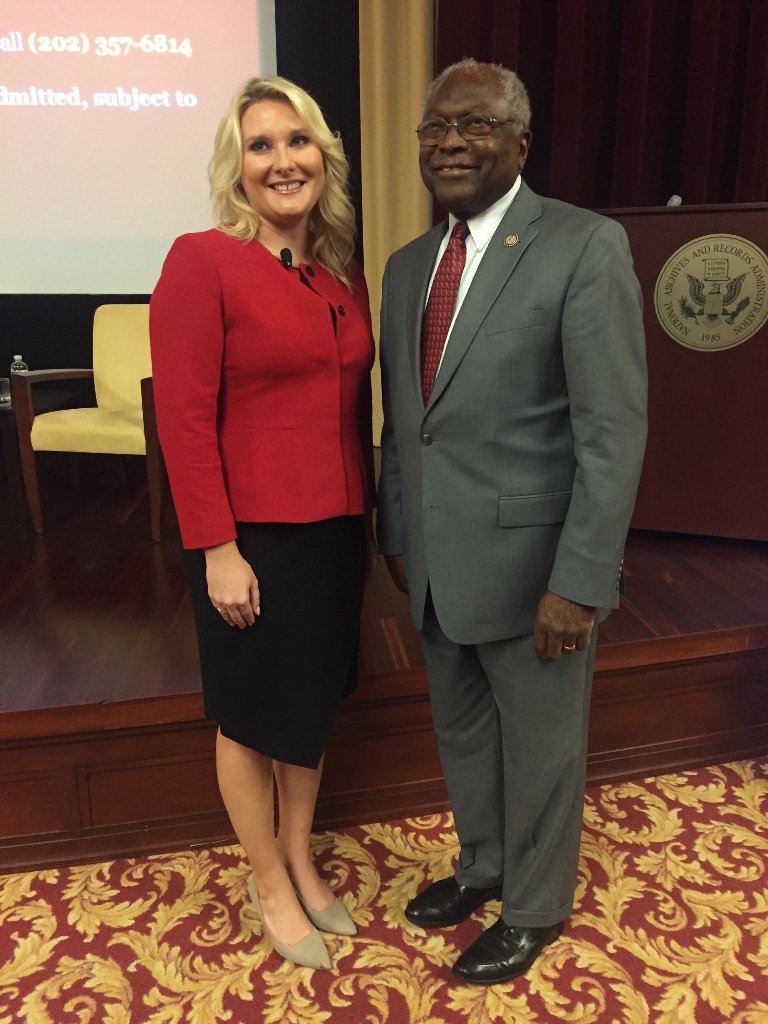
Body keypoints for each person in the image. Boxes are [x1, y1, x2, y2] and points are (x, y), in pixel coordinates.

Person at [377, 59, 647, 986]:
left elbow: (611, 432)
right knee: (463, 736)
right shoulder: (406, 267)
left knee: (540, 751)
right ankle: (483, 866)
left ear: (520, 144)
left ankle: (534, 908)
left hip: (539, 576)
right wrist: (398, 532)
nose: (450, 142)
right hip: (436, 567)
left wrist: (582, 581)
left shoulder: (583, 245)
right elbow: (404, 420)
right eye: (435, 127)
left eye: (476, 124)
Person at [150, 75, 376, 971]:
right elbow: (183, 419)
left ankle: (298, 854)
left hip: (336, 529)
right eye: (261, 145)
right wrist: (216, 547)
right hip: (248, 538)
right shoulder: (201, 260)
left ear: (323, 156)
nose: (283, 160)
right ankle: (268, 880)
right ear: (236, 167)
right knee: (251, 715)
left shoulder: (341, 272)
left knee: (310, 702)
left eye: (297, 140)